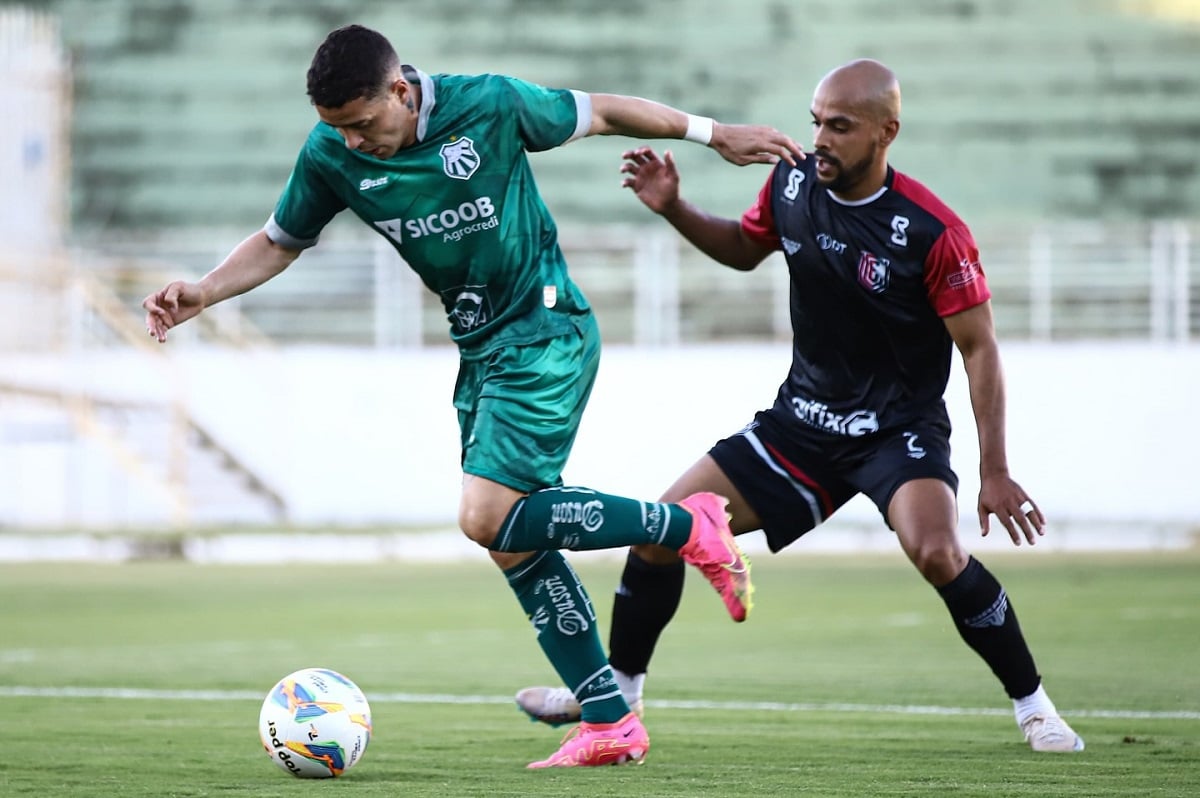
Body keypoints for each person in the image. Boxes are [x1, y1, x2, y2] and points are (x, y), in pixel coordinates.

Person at [141, 24, 803, 768]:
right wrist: (203, 290)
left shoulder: (488, 105)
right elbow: (278, 240)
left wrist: (716, 136)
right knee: (508, 540)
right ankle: (611, 719)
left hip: (546, 326)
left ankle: (685, 525)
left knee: (483, 515)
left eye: (363, 124)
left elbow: (605, 111)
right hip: (480, 350)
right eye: (339, 130)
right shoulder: (331, 152)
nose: (355, 144)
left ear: (400, 90)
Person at [515, 58, 1085, 753]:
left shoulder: (933, 231)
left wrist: (995, 470)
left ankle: (1034, 706)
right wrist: (674, 208)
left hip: (895, 432)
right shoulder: (789, 182)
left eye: (840, 127)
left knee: (937, 552)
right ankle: (616, 700)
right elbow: (743, 249)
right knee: (659, 532)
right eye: (816, 121)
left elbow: (980, 348)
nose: (820, 139)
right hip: (801, 425)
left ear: (886, 132)